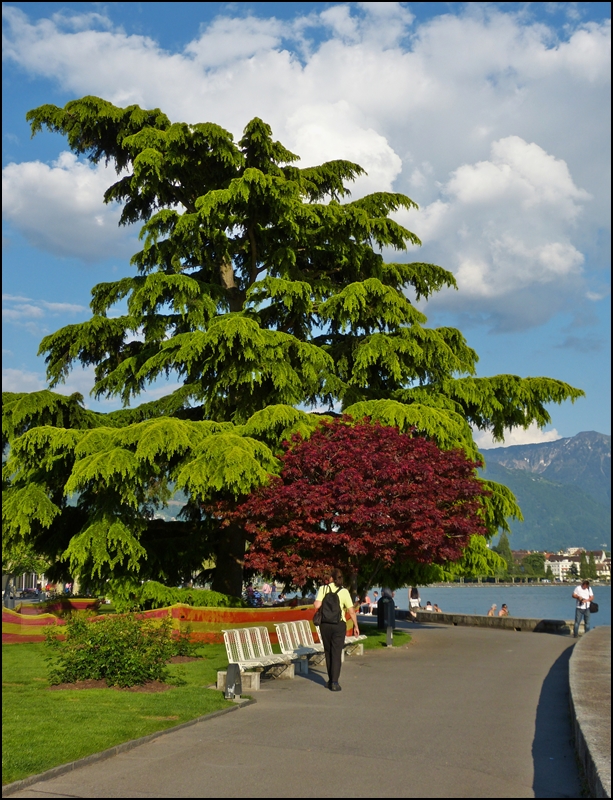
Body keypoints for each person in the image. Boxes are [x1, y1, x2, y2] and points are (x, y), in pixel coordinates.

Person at [314, 568, 359, 692]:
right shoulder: (344, 591)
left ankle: (329, 680)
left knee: (328, 652)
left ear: (332, 578)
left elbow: (316, 605)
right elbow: (351, 611)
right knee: (336, 652)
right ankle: (334, 682)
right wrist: (356, 626)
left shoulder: (323, 589)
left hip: (325, 624)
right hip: (339, 624)